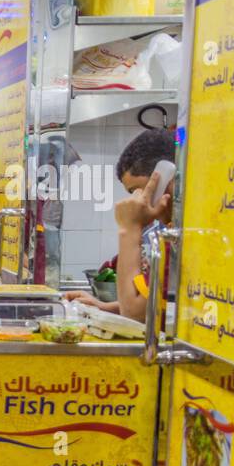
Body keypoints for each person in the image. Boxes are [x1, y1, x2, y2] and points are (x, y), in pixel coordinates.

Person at [64, 129, 176, 322]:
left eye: (138, 190)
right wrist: (104, 307)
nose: (136, 199)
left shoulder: (179, 236)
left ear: (168, 177)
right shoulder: (170, 230)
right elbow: (154, 302)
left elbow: (135, 313)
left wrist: (129, 228)